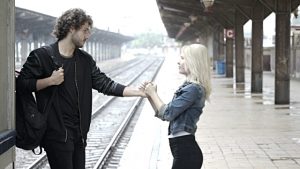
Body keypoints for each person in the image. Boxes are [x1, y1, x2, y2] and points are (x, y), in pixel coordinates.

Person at [17, 8, 145, 169]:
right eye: (85, 30)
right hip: (56, 135)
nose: (88, 35)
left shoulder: (84, 60)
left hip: (79, 135)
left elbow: (105, 84)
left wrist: (139, 92)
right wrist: (50, 81)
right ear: (71, 28)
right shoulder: (41, 56)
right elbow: (21, 84)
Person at [142, 44, 212, 169]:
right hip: (182, 150)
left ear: (193, 62)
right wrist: (150, 96)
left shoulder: (193, 89)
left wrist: (153, 93)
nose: (178, 62)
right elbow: (163, 114)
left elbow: (168, 113)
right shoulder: (187, 87)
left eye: (183, 58)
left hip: (186, 152)